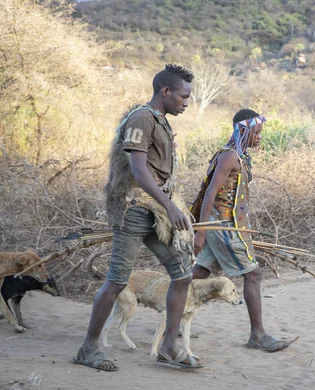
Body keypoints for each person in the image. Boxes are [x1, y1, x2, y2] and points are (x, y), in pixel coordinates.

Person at [73, 64, 202, 371]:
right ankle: (88, 348)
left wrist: (170, 207)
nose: (186, 102)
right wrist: (170, 207)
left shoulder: (161, 121)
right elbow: (138, 170)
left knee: (183, 275)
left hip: (155, 212)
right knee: (117, 281)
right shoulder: (142, 118)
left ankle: (170, 344)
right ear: (165, 91)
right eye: (183, 96)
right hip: (135, 211)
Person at [190, 108, 295, 352]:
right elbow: (210, 194)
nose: (260, 137)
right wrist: (201, 231)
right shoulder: (229, 157)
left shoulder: (239, 156)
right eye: (256, 132)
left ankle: (171, 320)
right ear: (244, 131)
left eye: (260, 132)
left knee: (200, 271)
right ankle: (258, 336)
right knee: (253, 274)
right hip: (223, 225)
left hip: (227, 224)